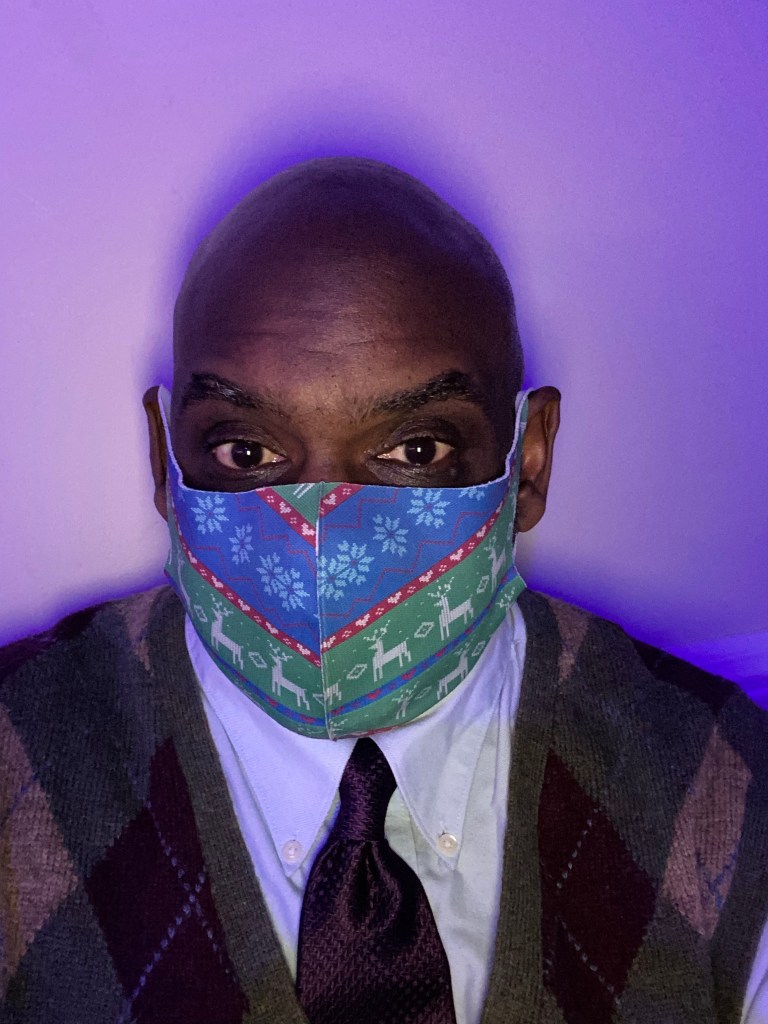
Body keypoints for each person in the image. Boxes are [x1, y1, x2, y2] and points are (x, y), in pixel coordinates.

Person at [1, 157, 767, 1024]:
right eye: (246, 451)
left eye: (416, 450)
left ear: (528, 461)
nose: (322, 535)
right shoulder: (17, 756)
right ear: (163, 459)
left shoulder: (725, 783)